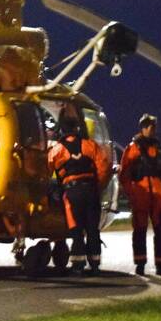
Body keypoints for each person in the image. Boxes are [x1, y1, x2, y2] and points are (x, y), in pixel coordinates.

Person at [47, 115, 110, 275]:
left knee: (76, 229)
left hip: (71, 193)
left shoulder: (57, 150)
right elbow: (104, 168)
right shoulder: (90, 145)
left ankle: (78, 265)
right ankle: (95, 264)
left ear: (61, 129)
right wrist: (98, 187)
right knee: (92, 229)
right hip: (90, 190)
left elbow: (46, 172)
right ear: (77, 128)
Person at [120, 113, 161, 276]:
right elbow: (125, 173)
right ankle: (140, 263)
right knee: (139, 230)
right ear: (142, 128)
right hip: (140, 192)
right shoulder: (132, 148)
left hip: (158, 193)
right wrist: (131, 193)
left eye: (153, 127)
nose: (151, 129)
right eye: (148, 126)